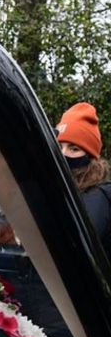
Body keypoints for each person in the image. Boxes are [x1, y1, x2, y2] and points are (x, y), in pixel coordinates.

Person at [56, 102, 111, 249]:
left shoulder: (96, 198)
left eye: (74, 149)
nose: (63, 154)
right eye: (59, 146)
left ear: (90, 157)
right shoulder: (60, 188)